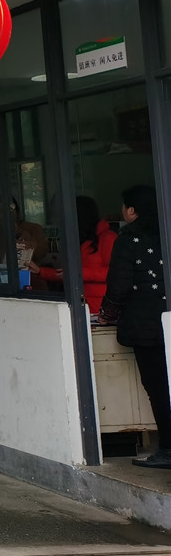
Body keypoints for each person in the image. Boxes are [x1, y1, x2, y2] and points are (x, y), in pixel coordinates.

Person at [104, 186, 170, 470]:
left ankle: (168, 448)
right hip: (165, 320)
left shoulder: (129, 238)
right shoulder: (166, 231)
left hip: (147, 325)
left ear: (131, 210)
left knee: (158, 387)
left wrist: (107, 314)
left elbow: (119, 285)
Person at [32, 196, 117, 313]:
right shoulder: (81, 239)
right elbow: (68, 273)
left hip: (100, 306)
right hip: (79, 303)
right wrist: (40, 271)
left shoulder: (108, 238)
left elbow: (114, 273)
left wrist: (78, 273)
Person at [0, 196, 49, 272]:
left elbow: (43, 252)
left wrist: (29, 242)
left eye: (11, 209)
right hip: (3, 276)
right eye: (2, 211)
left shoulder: (33, 228)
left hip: (32, 276)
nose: (8, 214)